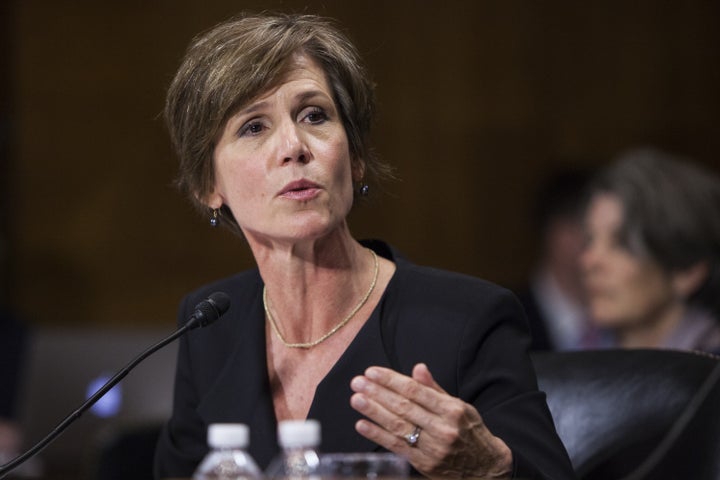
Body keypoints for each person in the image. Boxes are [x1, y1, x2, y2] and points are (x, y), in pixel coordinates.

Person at [153, 12, 575, 480]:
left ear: (354, 159)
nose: (294, 146)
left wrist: (487, 468)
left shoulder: (467, 320)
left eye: (315, 116)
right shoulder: (211, 323)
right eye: (253, 127)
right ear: (208, 185)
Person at [580, 147, 720, 353]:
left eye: (621, 244)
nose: (589, 260)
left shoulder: (710, 372)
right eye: (590, 239)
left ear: (688, 271)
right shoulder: (577, 356)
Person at [515, 167, 609, 351]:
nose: (587, 242)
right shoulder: (509, 318)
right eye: (575, 226)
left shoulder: (623, 315)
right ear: (549, 231)